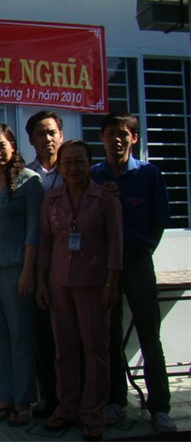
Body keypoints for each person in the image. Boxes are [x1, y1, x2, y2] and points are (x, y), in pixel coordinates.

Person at [91, 111, 177, 434]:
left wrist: (144, 251)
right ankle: (115, 401)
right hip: (103, 266)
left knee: (149, 335)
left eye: (123, 133)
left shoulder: (149, 174)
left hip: (138, 261)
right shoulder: (94, 176)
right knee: (109, 334)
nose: (117, 139)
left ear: (134, 138)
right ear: (101, 137)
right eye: (110, 133)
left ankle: (160, 407)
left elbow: (159, 222)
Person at [38, 140, 122, 441]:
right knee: (65, 348)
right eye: (67, 163)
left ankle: (93, 413)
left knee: (95, 350)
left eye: (79, 162)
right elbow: (45, 243)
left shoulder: (105, 198)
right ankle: (67, 407)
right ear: (60, 167)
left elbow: (116, 244)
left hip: (94, 283)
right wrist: (41, 282)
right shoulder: (51, 199)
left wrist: (111, 284)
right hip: (59, 282)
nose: (73, 168)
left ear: (90, 164)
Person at [0, 123, 43, 427]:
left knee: (19, 336)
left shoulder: (29, 181)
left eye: (1, 145)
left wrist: (28, 271)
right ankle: (4, 398)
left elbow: (34, 230)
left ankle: (23, 401)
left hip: (16, 267)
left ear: (13, 146)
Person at [24, 110, 64, 418]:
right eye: (40, 134)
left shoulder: (77, 170)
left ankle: (79, 398)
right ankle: (48, 397)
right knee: (43, 337)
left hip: (74, 266)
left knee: (76, 337)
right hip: (38, 268)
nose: (47, 138)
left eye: (52, 132)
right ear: (31, 140)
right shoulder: (24, 176)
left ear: (61, 135)